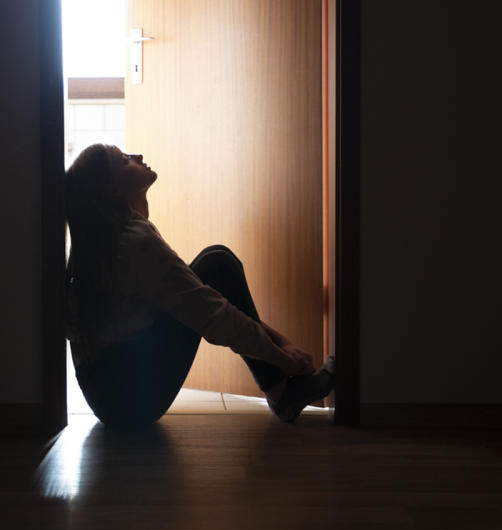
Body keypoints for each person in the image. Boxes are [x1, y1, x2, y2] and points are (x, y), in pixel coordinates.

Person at [64, 143, 335, 429]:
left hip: (110, 398)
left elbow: (199, 296)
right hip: (131, 403)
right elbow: (212, 315)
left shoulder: (110, 239)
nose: (138, 156)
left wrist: (282, 343)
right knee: (216, 269)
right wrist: (283, 360)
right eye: (124, 159)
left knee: (215, 263)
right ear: (113, 190)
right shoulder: (132, 243)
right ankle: (283, 392)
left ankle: (281, 391)